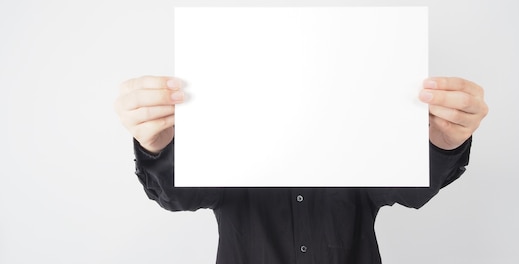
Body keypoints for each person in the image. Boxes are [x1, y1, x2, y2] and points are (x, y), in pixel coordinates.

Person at [114, 75, 488, 264]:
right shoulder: (232, 139)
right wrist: (157, 144)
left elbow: (411, 191)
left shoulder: (358, 136)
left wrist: (443, 141)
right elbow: (178, 196)